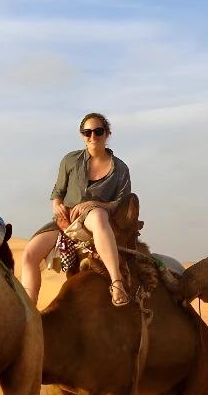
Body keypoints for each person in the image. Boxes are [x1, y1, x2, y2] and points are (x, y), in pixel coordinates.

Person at [18, 113, 133, 306]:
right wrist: (57, 206)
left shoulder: (120, 169)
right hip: (66, 220)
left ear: (107, 133)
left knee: (97, 217)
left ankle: (117, 282)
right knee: (30, 253)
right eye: (87, 132)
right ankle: (29, 311)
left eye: (98, 131)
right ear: (82, 135)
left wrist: (95, 204)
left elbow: (121, 203)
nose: (93, 137)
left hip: (98, 218)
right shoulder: (70, 161)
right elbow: (58, 192)